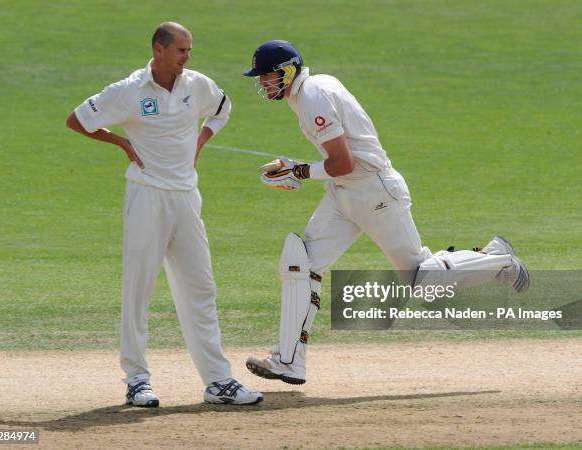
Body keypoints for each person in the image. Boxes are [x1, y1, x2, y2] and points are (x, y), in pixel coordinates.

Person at [242, 40, 530, 385]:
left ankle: (498, 259)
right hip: (345, 193)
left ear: (287, 70)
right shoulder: (313, 90)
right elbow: (342, 164)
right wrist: (301, 169)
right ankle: (288, 361)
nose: (263, 83)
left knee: (422, 281)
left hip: (375, 192)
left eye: (267, 76)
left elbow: (343, 161)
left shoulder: (313, 96)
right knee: (302, 267)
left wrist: (300, 171)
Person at [66, 22, 262, 407]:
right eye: (181, 51)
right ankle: (137, 381)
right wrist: (120, 141)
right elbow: (77, 120)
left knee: (201, 288)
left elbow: (222, 110)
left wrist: (202, 140)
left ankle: (218, 381)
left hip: (187, 199)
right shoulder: (128, 91)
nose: (187, 58)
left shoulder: (197, 85)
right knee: (139, 289)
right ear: (159, 49)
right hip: (146, 197)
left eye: (189, 50)